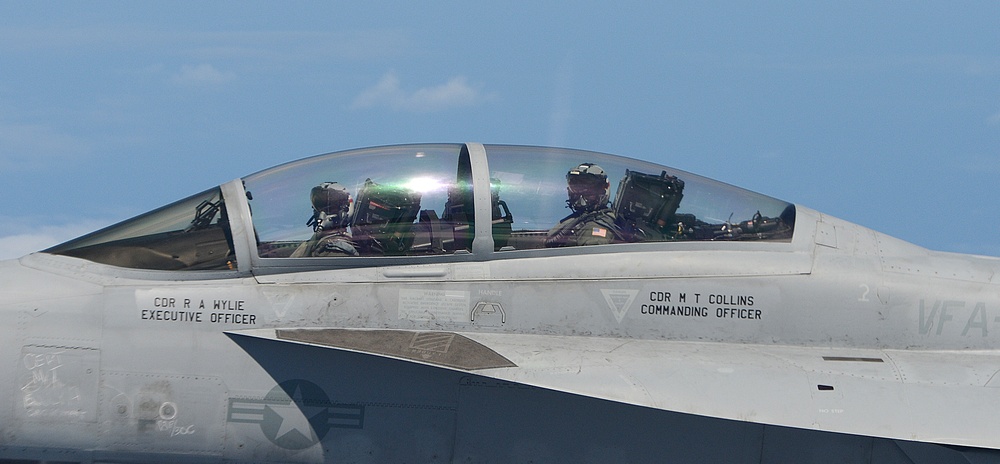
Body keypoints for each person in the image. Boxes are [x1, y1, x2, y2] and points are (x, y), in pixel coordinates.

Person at [545, 163, 624, 247]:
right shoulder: (577, 220)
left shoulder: (595, 226)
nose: (580, 193)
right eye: (576, 186)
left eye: (588, 188)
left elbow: (592, 257)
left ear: (603, 189)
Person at [290, 182, 359, 257]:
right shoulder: (309, 245)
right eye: (319, 208)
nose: (322, 213)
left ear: (346, 209)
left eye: (331, 208)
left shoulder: (338, 251)